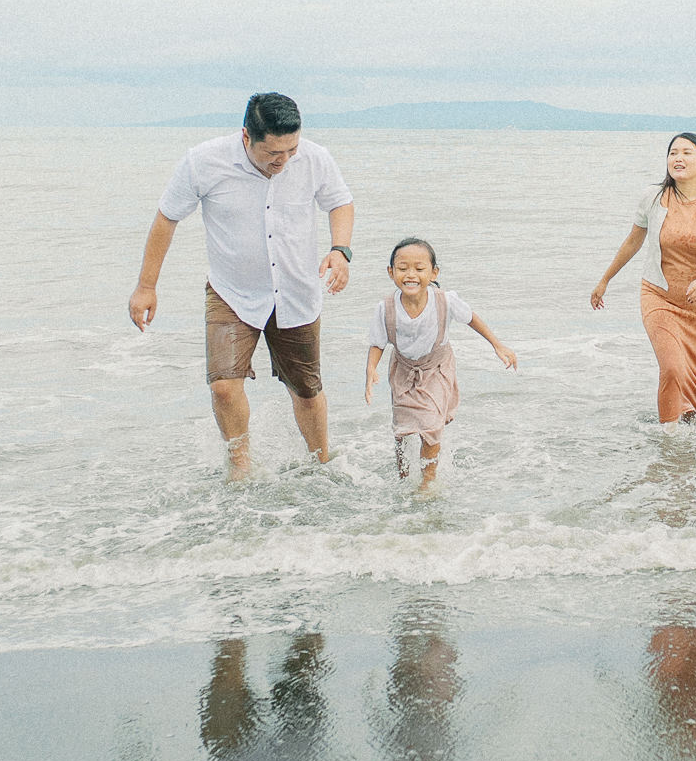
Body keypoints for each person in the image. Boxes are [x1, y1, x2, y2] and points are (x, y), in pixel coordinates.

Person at [128, 93, 355, 480]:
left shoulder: (315, 158)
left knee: (306, 390)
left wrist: (340, 250)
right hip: (231, 293)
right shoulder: (204, 162)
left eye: (292, 149)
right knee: (223, 387)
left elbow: (340, 203)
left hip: (296, 293)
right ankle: (240, 469)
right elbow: (166, 218)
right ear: (247, 136)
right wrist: (146, 286)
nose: (284, 160)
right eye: (274, 153)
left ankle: (322, 463)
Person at [589, 133, 696, 425]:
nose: (678, 158)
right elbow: (633, 241)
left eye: (686, 153)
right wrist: (605, 280)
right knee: (672, 368)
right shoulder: (654, 197)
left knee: (692, 381)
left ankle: (685, 437)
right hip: (659, 296)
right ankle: (668, 436)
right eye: (673, 153)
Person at [364, 237, 517, 491]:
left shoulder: (445, 301)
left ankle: (427, 483)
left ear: (433, 273)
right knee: (403, 430)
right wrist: (371, 369)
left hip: (437, 369)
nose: (410, 275)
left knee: (431, 427)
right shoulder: (386, 308)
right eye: (402, 268)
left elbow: (471, 318)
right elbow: (378, 343)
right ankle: (403, 477)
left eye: (419, 268)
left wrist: (498, 345)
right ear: (391, 272)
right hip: (403, 370)